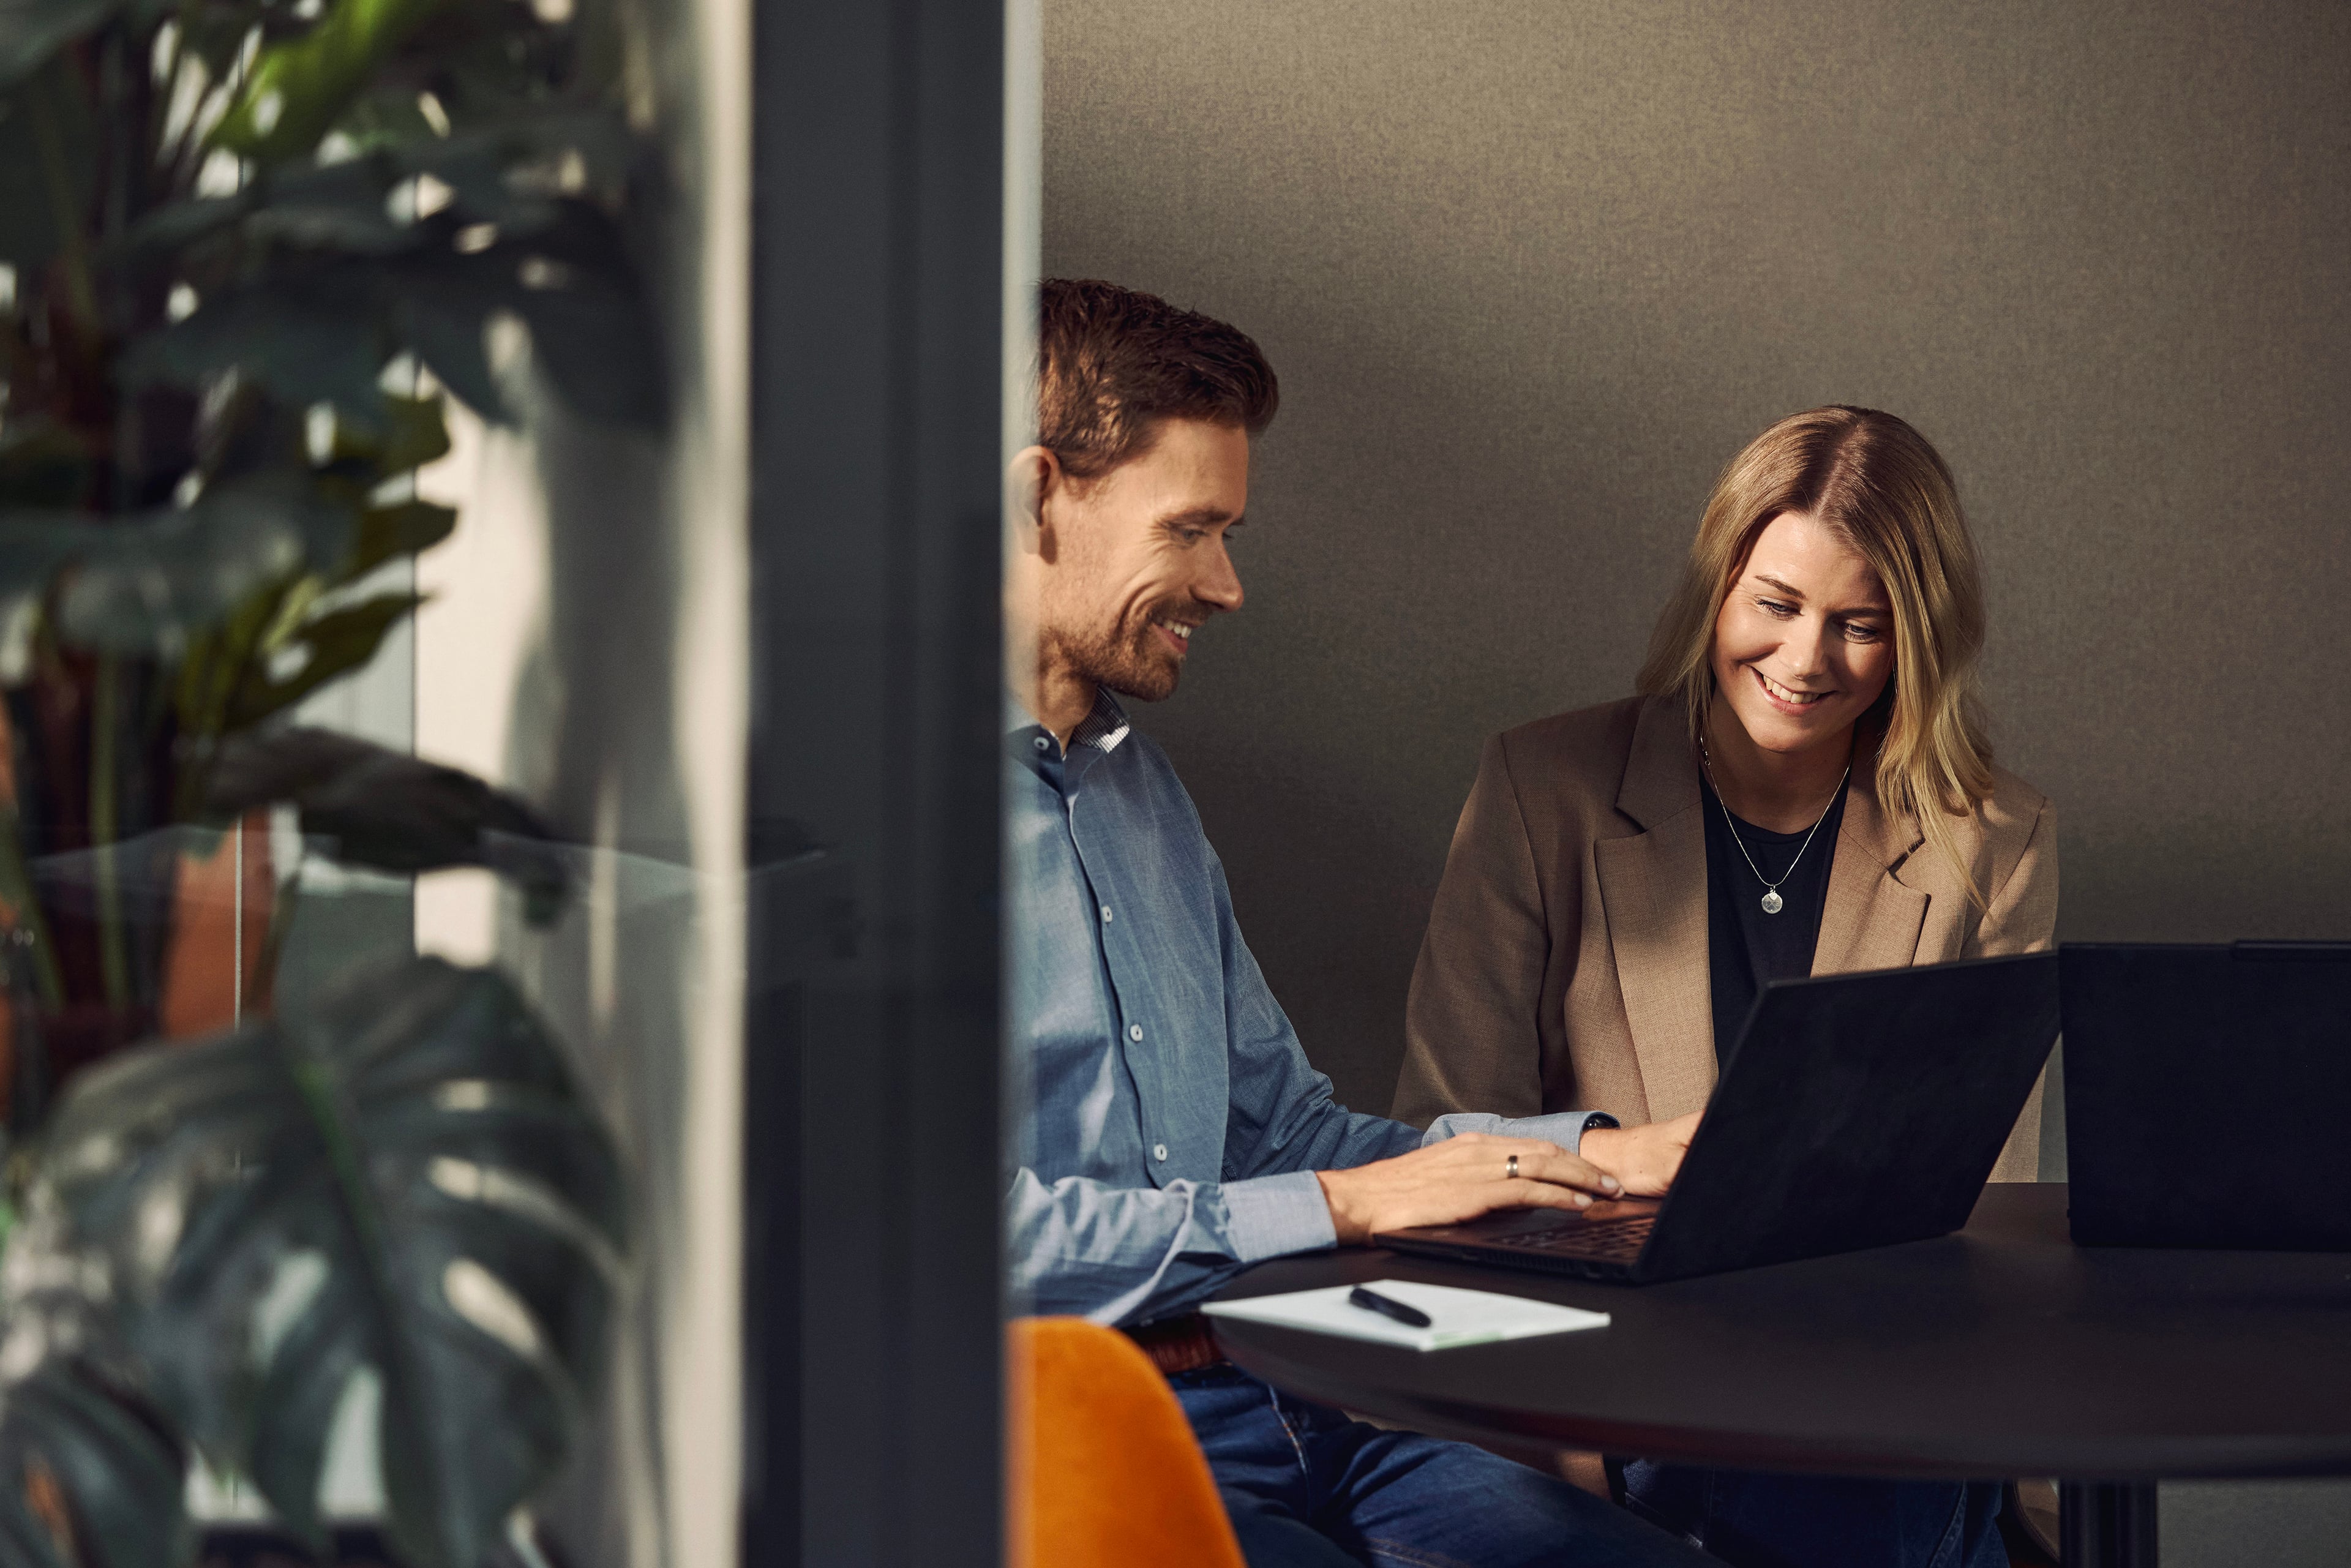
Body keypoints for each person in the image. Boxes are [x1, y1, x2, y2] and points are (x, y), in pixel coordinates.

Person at [1005, 277, 1712, 1568]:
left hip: (1307, 1392)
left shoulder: (1138, 795)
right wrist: (1337, 1204)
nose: (1226, 585)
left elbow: (1293, 1131)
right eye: (1193, 528)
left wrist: (1602, 1161)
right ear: (1035, 496)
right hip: (1068, 1436)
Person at [1393, 406, 2054, 1568]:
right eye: (1777, 605)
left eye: (1862, 625)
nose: (1806, 662)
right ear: (1718, 584)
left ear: (1919, 641)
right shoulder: (1540, 786)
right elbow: (1442, 1150)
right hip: (1599, 1396)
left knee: (1853, 1489)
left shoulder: (1990, 840)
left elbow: (1984, 1227)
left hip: (1869, 1411)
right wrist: (1560, 1442)